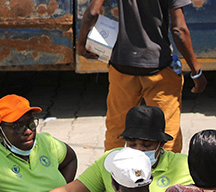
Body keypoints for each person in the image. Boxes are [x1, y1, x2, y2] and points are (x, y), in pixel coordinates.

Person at [17, 105, 194, 192]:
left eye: (146, 145)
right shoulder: (111, 163)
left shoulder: (182, 166)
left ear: (161, 144)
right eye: (132, 144)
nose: (139, 151)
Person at [76, 0, 206, 153]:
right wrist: (196, 71)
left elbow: (92, 13)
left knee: (115, 133)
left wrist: (81, 44)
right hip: (159, 68)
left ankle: (110, 173)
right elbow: (179, 30)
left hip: (121, 67)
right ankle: (168, 175)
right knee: (168, 133)